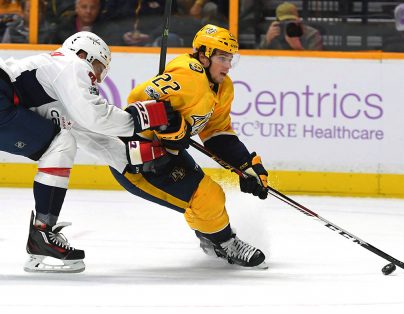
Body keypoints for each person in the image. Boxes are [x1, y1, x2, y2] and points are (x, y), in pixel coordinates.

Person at [0, 31, 170, 272]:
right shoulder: (71, 64)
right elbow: (95, 117)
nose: (99, 79)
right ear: (84, 54)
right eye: (100, 67)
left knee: (61, 140)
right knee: (60, 143)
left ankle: (42, 235)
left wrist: (129, 159)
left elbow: (82, 130)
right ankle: (42, 234)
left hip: (4, 100)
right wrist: (145, 118)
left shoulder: (50, 81)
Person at [111, 24, 269, 268]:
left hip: (167, 153)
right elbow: (135, 102)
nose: (228, 65)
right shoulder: (187, 74)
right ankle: (224, 244)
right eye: (222, 58)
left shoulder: (223, 87)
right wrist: (165, 122)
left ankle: (211, 236)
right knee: (207, 197)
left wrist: (245, 165)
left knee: (209, 196)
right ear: (204, 57)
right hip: (138, 158)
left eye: (231, 59)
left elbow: (216, 131)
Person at [51, 0, 122, 45]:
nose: (88, 11)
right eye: (84, 7)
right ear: (76, 8)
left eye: (93, 7)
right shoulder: (63, 29)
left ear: (98, 9)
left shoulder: (109, 29)